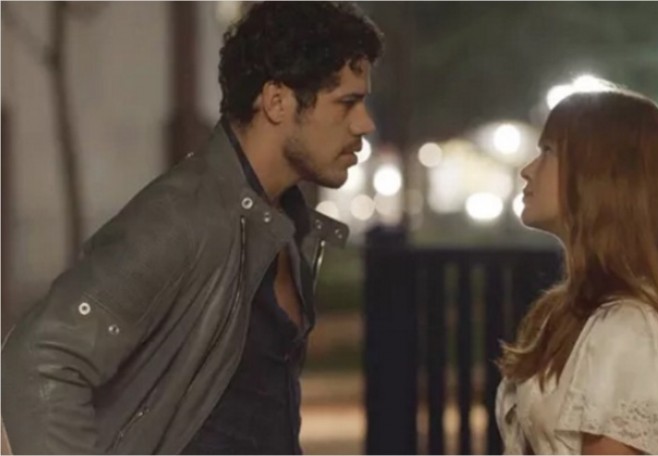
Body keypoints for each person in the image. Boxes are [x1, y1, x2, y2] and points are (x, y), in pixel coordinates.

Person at [1, 2, 384, 454]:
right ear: (277, 101)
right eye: (347, 103)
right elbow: (39, 358)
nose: (364, 124)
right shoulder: (184, 217)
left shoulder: (284, 225)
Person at [496, 87, 658, 455]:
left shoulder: (631, 328)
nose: (527, 170)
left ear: (601, 176)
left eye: (548, 151)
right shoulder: (562, 313)